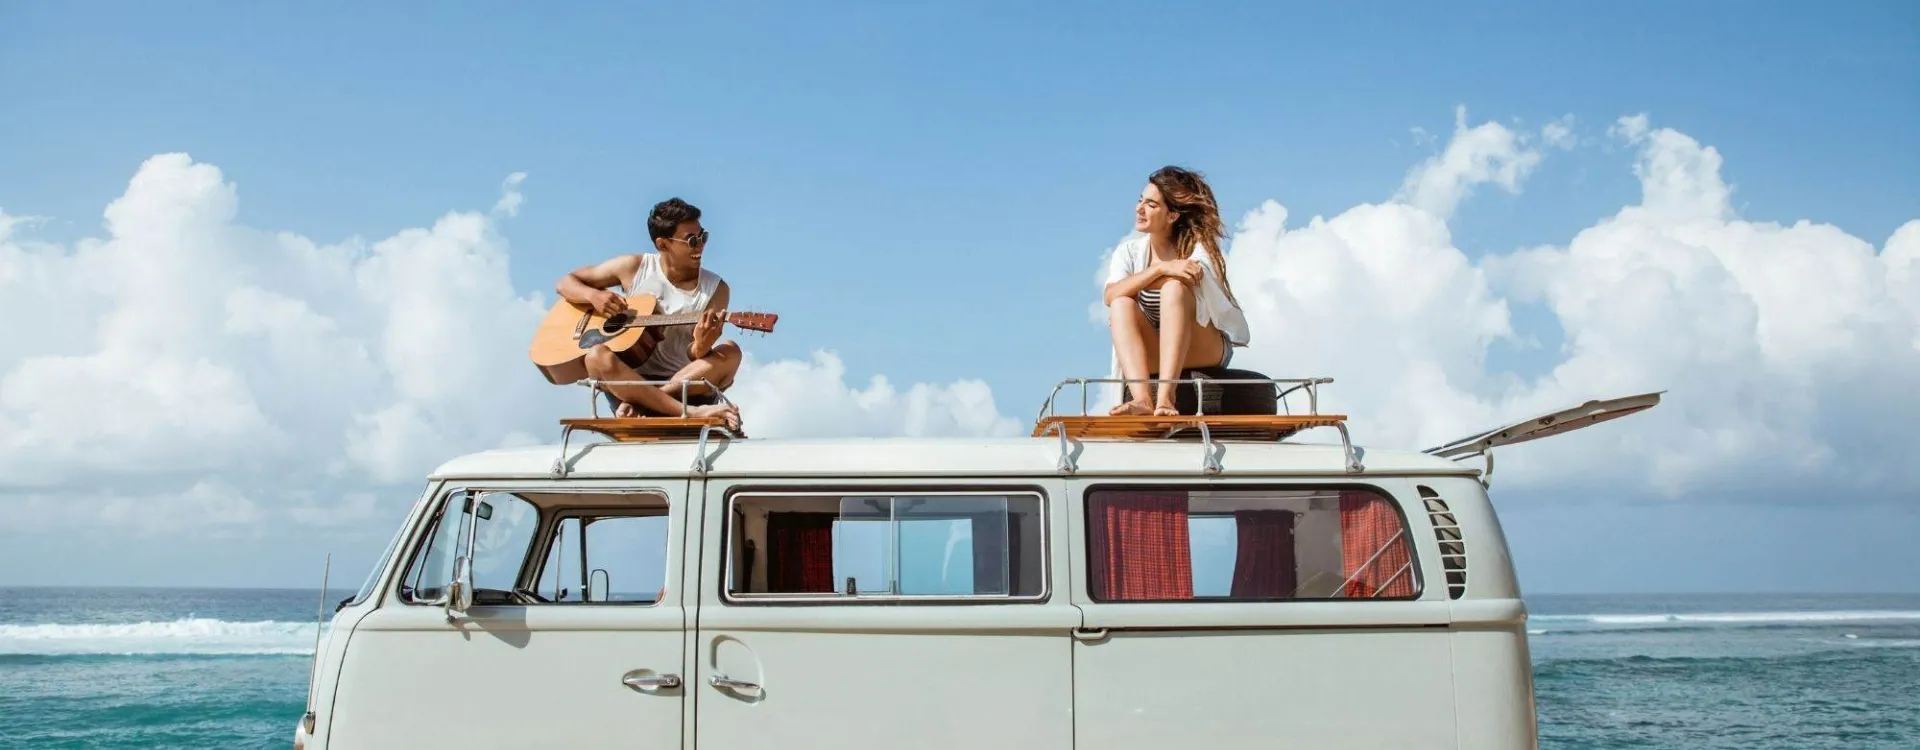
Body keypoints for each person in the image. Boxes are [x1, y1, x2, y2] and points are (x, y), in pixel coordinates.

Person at [555, 197, 742, 428]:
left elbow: (697, 355)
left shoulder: (716, 289)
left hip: (681, 386)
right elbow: (565, 282)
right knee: (595, 357)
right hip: (626, 384)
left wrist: (701, 346)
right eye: (691, 240)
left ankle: (649, 403)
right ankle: (689, 412)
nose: (700, 245)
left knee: (731, 352)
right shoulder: (634, 267)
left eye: (703, 236)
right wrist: (594, 297)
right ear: (663, 244)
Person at [1102, 166, 1251, 416]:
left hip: (1202, 346)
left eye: (1151, 204)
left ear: (1172, 215)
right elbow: (1110, 295)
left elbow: (1188, 280)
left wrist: (1158, 277)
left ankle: (1166, 398)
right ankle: (1142, 399)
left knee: (1174, 289)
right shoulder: (1129, 252)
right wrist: (1161, 270)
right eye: (1140, 200)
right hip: (1157, 347)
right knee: (1121, 303)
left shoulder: (1197, 248)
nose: (1139, 209)